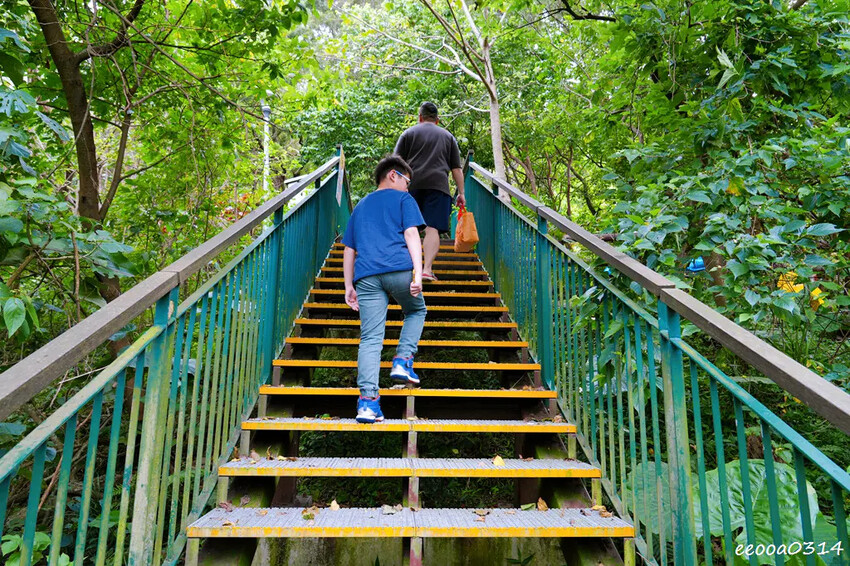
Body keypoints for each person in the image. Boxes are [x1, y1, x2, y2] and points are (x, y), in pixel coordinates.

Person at [342, 155, 428, 424]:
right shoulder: (403, 200)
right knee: (416, 310)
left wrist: (348, 285)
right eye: (407, 181)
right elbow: (412, 234)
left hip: (366, 277)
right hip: (399, 269)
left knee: (369, 339)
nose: (408, 187)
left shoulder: (360, 207)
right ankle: (403, 360)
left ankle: (367, 403)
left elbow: (349, 250)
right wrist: (418, 271)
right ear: (393, 175)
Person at [394, 102, 465, 282]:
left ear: (420, 117)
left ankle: (408, 270)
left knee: (410, 228)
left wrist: (394, 189)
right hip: (438, 186)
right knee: (432, 228)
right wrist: (461, 193)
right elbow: (456, 169)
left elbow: (395, 164)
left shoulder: (408, 134)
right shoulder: (448, 137)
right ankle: (426, 270)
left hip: (411, 186)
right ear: (437, 120)